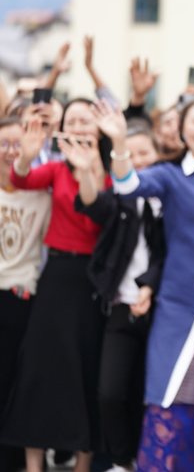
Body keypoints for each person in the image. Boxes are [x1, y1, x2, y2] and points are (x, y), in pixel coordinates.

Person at [99, 97, 194, 471]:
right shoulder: (170, 176)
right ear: (180, 131)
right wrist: (119, 142)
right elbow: (127, 185)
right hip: (177, 312)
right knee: (171, 399)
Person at [0, 99, 113, 472]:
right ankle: (35, 466)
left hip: (90, 282)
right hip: (55, 278)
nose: (79, 126)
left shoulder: (113, 173)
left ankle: (82, 464)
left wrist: (87, 171)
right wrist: (24, 157)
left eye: (86, 120)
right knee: (37, 369)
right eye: (72, 120)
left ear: (99, 128)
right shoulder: (55, 169)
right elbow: (20, 179)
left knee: (85, 371)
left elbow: (96, 213)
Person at [70, 124, 165, 472]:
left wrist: (149, 285)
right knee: (109, 393)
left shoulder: (171, 199)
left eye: (145, 154)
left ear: (158, 157)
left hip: (162, 312)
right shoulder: (122, 199)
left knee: (146, 393)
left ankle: (147, 458)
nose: (138, 161)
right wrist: (84, 171)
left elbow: (167, 255)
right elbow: (94, 203)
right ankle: (122, 460)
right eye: (130, 154)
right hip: (121, 310)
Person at [0, 117, 51, 472]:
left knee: (9, 384)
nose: (11, 151)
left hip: (19, 297)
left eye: (19, 143)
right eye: (4, 143)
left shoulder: (44, 195)